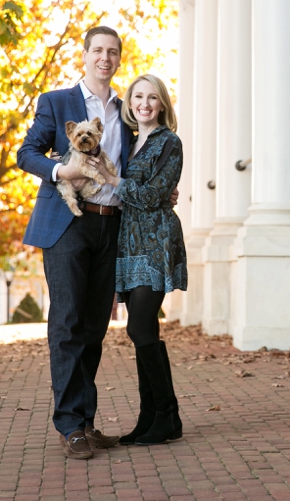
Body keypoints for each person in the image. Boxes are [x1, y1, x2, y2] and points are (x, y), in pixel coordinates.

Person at [17, 26, 131, 460]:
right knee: (66, 323)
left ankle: (85, 421)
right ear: (85, 55)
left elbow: (129, 165)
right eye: (98, 51)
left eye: (113, 52)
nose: (105, 58)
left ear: (119, 59)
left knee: (94, 328)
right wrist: (59, 172)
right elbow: (26, 152)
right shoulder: (56, 101)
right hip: (66, 223)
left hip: (110, 225)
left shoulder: (125, 110)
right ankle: (69, 427)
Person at [90, 73, 187, 446]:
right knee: (144, 329)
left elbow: (153, 196)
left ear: (162, 104)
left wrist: (115, 183)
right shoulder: (129, 141)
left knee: (140, 327)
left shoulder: (169, 142)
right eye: (138, 97)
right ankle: (154, 418)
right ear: (130, 103)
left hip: (156, 240)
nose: (144, 103)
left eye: (152, 98)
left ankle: (167, 415)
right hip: (128, 242)